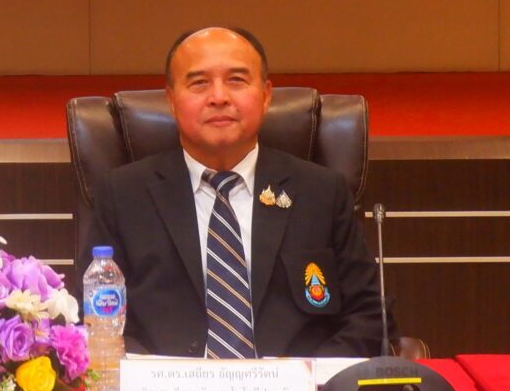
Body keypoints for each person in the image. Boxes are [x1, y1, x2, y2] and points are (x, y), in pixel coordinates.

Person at [81, 26, 391, 359]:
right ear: (171, 100)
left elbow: (370, 318)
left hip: (296, 389)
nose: (219, 97)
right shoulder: (123, 195)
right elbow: (95, 321)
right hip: (166, 389)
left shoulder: (322, 193)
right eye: (199, 83)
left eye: (237, 80)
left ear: (266, 95)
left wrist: (305, 375)